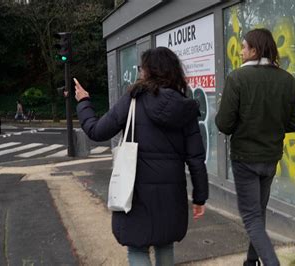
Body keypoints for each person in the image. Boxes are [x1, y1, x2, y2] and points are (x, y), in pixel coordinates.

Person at [73, 47, 209, 266]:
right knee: (165, 243)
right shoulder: (185, 108)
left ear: (148, 71)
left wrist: (84, 102)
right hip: (172, 193)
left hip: (136, 191)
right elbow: (196, 158)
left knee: (137, 246)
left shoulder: (134, 99)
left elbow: (97, 131)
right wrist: (200, 196)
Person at [215, 28, 295, 266]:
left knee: (252, 216)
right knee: (258, 212)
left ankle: (271, 263)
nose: (241, 51)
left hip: (245, 159)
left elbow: (224, 124)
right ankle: (251, 261)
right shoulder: (287, 80)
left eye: (244, 47)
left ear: (254, 50)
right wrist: (271, 125)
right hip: (271, 157)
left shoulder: (237, 79)